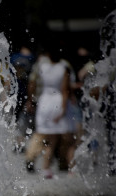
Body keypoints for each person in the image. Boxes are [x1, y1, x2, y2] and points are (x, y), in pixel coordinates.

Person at [24, 43, 70, 179]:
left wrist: (30, 100)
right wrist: (63, 109)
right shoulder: (63, 67)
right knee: (53, 139)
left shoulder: (41, 66)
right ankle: (47, 167)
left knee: (41, 133)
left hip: (44, 101)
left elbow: (32, 84)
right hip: (57, 101)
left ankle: (31, 156)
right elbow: (65, 90)